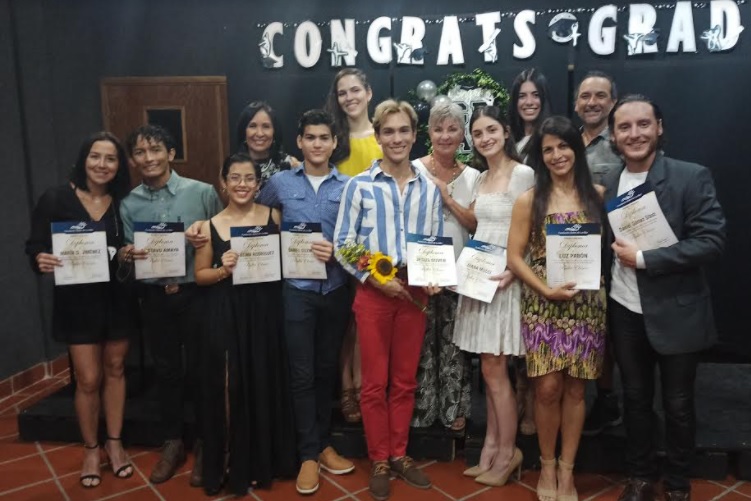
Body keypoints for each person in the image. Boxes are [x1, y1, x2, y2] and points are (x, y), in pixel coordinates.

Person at [604, 95, 725, 501]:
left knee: (677, 404)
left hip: (676, 310)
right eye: (624, 127)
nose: (634, 133)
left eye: (643, 124)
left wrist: (643, 258)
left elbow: (711, 241)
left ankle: (677, 484)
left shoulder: (691, 177)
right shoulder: (608, 182)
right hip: (624, 309)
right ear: (613, 136)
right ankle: (639, 477)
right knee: (634, 399)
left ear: (659, 127)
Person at [334, 99, 442, 501]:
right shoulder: (359, 185)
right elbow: (344, 244)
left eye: (403, 131)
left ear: (415, 136)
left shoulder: (428, 188)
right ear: (378, 136)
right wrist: (377, 280)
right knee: (373, 382)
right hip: (374, 291)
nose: (396, 139)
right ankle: (378, 457)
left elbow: (430, 243)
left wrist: (431, 278)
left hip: (414, 290)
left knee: (404, 379)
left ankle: (400, 453)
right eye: (388, 132)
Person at [25, 131, 137, 488]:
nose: (102, 165)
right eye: (95, 157)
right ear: (83, 159)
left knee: (116, 368)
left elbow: (129, 247)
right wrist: (39, 259)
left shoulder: (125, 202)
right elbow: (35, 246)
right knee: (88, 378)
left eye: (110, 158)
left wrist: (127, 254)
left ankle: (115, 444)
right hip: (76, 303)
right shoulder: (56, 198)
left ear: (119, 165)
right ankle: (91, 448)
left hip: (118, 299)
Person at [507, 116, 607, 501]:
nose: (556, 155)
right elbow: (515, 258)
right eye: (547, 149)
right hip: (542, 305)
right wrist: (545, 289)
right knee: (547, 389)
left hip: (586, 307)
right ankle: (546, 466)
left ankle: (568, 471)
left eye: (563, 146)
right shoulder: (530, 200)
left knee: (577, 390)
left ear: (576, 149)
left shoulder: (596, 195)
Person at [256, 109, 355, 495]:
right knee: (300, 373)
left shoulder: (349, 187)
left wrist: (340, 252)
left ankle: (324, 442)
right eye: (310, 137)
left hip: (334, 290)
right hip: (295, 290)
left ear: (334, 143)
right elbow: (256, 218)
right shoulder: (279, 183)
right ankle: (308, 454)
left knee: (325, 370)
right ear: (299, 142)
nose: (316, 144)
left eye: (323, 138)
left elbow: (356, 239)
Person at [119, 124, 224, 486]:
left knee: (202, 370)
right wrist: (127, 253)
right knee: (166, 373)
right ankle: (173, 441)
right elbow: (127, 251)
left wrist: (204, 242)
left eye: (155, 150)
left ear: (171, 153)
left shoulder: (204, 193)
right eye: (140, 152)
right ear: (133, 160)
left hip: (197, 295)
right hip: (154, 297)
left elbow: (221, 240)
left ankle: (208, 443)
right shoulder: (129, 204)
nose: (148, 158)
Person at [194, 153, 296, 495]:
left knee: (263, 382)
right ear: (223, 182)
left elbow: (289, 258)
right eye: (234, 178)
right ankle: (231, 461)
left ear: (258, 184)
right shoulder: (209, 226)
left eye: (248, 178)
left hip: (265, 312)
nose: (241, 184)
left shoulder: (274, 216)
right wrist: (224, 269)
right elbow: (200, 276)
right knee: (233, 387)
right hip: (227, 313)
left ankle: (261, 462)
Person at [453, 106, 535, 486]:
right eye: (478, 133)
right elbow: (478, 228)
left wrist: (514, 271)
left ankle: (507, 452)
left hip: (505, 280)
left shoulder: (523, 174)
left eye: (491, 130)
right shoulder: (482, 177)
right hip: (479, 280)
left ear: (505, 132)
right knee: (488, 370)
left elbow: (533, 232)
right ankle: (489, 446)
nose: (485, 138)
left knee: (496, 368)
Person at [410, 102, 480, 432]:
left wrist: (447, 198)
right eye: (438, 129)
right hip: (420, 272)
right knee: (421, 343)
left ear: (463, 133)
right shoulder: (412, 169)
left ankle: (454, 410)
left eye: (453, 129)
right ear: (428, 133)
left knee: (454, 343)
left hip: (459, 272)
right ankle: (422, 408)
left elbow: (476, 225)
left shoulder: (474, 177)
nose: (445, 135)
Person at [324, 68, 383, 423]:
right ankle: (346, 390)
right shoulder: (334, 138)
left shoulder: (384, 135)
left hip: (376, 243)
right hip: (339, 240)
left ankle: (365, 387)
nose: (349, 97)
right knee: (344, 320)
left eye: (355, 90)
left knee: (366, 321)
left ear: (369, 93)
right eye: (342, 92)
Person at [574, 71, 623, 437]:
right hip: (571, 247)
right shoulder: (567, 142)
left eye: (600, 95)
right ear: (576, 103)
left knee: (607, 332)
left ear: (612, 101)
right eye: (586, 96)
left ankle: (607, 400)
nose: (593, 102)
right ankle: (584, 396)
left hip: (613, 250)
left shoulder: (622, 141)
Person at [236, 101, 299, 184]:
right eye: (253, 126)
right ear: (244, 131)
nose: (259, 133)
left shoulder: (291, 165)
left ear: (274, 132)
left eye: (266, 127)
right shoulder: (233, 167)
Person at [508, 68, 553, 158]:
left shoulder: (552, 137)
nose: (529, 102)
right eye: (522, 96)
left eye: (536, 95)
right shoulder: (507, 139)